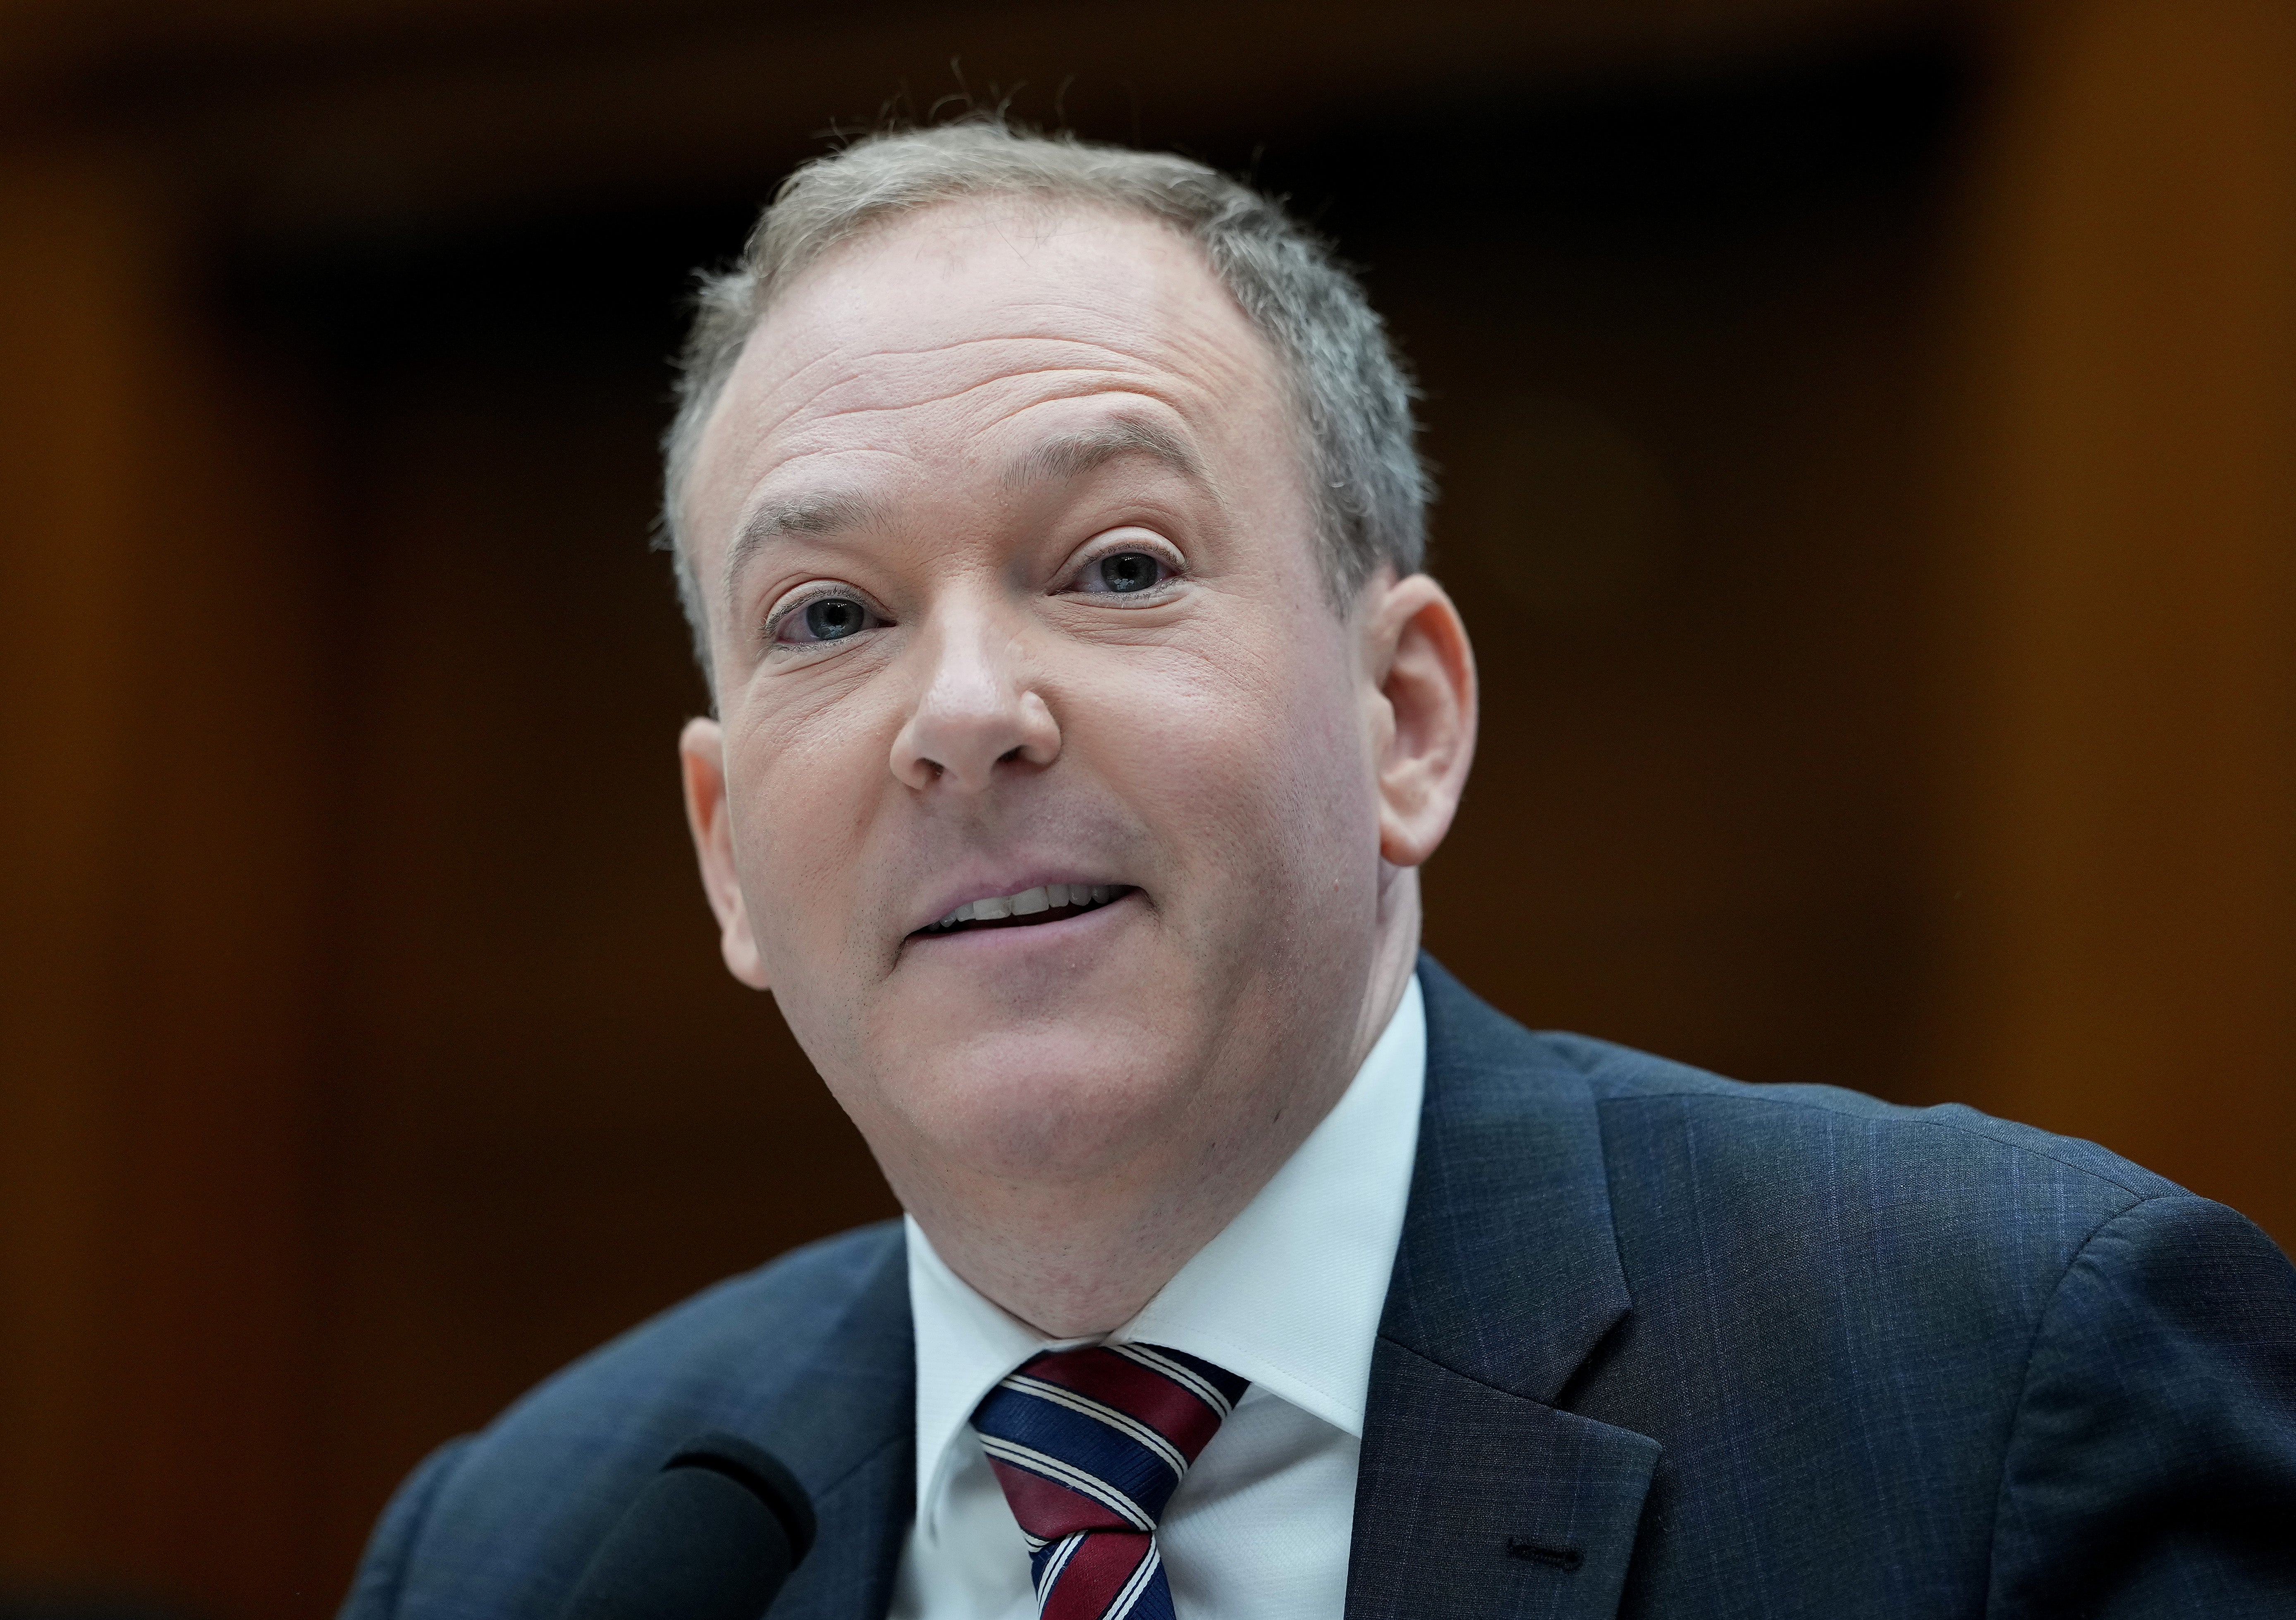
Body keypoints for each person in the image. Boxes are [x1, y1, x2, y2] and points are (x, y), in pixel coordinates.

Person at [339, 122, 2296, 1620]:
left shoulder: (2004, 1376)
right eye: (830, 615)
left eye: (1118, 565)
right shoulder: (521, 1549)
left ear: (1404, 716)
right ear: (725, 855)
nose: (966, 710)